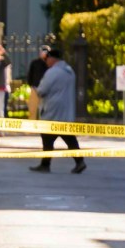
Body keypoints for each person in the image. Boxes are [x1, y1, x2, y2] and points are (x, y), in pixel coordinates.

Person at [30, 43, 84, 173]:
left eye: (47, 59)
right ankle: (79, 161)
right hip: (65, 110)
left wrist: (37, 90)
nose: (46, 62)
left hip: (52, 110)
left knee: (47, 137)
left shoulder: (52, 72)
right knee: (69, 137)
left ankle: (45, 164)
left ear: (52, 59)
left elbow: (42, 90)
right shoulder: (69, 71)